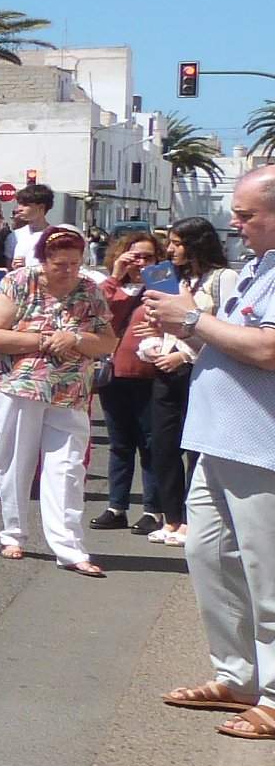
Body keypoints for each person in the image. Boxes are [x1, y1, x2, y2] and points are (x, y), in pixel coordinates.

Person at [142, 168, 275, 734]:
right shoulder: (255, 269)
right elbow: (234, 342)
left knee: (266, 574)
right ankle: (237, 675)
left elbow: (268, 349)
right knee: (211, 559)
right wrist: (188, 329)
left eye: (247, 215)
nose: (236, 224)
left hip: (260, 447)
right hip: (218, 440)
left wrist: (193, 319)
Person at [0, 226, 110, 575]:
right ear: (44, 261)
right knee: (16, 460)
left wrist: (78, 337)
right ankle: (13, 533)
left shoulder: (89, 290)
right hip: (18, 385)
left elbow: (106, 341)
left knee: (67, 467)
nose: (67, 271)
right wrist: (42, 339)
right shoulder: (20, 282)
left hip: (70, 391)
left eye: (74, 263)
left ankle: (69, 547)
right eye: (59, 264)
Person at [141, 218, 238, 549]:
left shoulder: (223, 279)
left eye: (177, 243)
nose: (170, 249)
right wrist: (154, 340)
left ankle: (194, 520)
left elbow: (227, 328)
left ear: (197, 243)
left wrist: (183, 356)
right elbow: (165, 324)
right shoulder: (173, 279)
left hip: (200, 371)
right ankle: (172, 518)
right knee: (163, 445)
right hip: (165, 369)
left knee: (196, 449)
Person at [94, 231, 165, 532]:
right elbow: (99, 315)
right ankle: (116, 506)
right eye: (135, 255)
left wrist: (157, 276)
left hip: (151, 375)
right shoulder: (111, 286)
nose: (140, 262)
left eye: (148, 257)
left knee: (150, 445)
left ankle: (153, 510)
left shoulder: (162, 285)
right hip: (115, 374)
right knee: (120, 444)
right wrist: (115, 275)